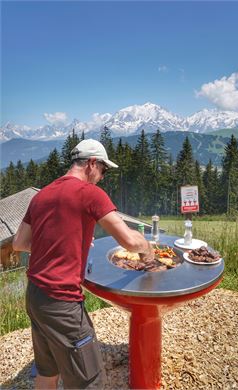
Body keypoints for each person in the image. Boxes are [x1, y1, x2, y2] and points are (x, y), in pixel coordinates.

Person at [13, 139, 154, 390]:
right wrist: (148, 251)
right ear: (91, 164)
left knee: (48, 372)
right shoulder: (89, 193)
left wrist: (63, 243)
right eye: (103, 170)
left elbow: (20, 243)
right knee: (89, 381)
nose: (101, 177)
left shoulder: (42, 195)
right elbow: (130, 241)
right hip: (62, 303)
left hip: (35, 296)